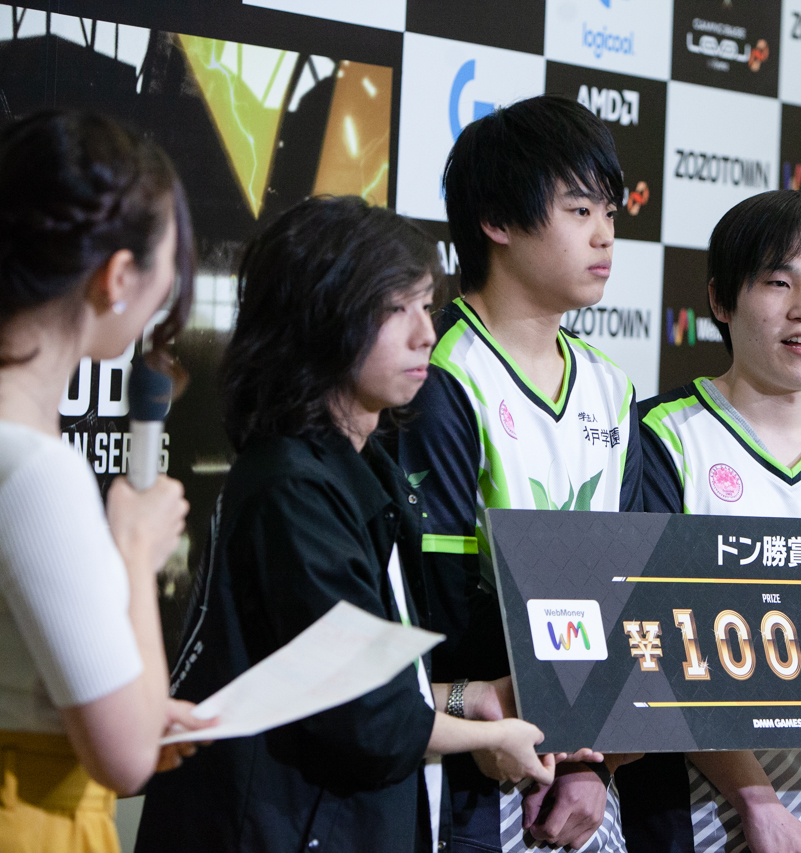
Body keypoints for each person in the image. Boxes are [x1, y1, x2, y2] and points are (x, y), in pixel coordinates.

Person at [135, 196, 584, 853]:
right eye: (394, 309)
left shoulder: (361, 467)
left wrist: (472, 697)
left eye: (426, 305)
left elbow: (363, 684)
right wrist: (488, 735)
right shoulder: (294, 487)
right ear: (320, 320)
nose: (424, 333)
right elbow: (366, 717)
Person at [618, 190, 801, 853]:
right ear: (721, 301)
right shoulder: (661, 437)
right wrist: (758, 800)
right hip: (686, 816)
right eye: (778, 282)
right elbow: (655, 637)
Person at [400, 94, 640, 853]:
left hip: (584, 773)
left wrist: (590, 762)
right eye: (579, 210)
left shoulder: (612, 387)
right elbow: (430, 608)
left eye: (609, 212)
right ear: (497, 221)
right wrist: (499, 722)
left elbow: (631, 586)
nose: (604, 235)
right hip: (464, 769)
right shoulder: (437, 375)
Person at [0, 109, 208, 852]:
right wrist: (135, 547)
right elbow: (125, 758)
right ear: (118, 276)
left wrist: (137, 705)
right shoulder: (36, 470)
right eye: (167, 264)